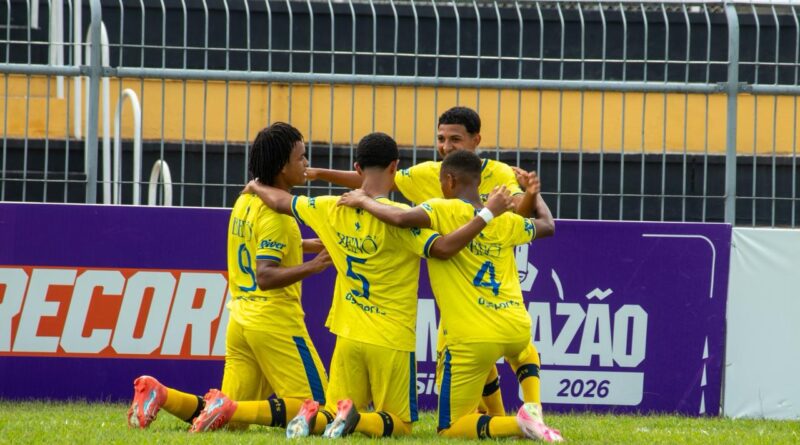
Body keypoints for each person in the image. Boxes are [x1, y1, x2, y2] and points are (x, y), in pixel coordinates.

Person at [245, 132, 514, 438]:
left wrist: (255, 185)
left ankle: (320, 418)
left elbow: (281, 201)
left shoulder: (330, 206)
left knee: (334, 412)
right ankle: (356, 420)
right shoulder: (402, 218)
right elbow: (441, 248)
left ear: (357, 168)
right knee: (400, 425)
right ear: (394, 167)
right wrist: (488, 214)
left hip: (347, 332)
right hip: (390, 338)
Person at [308, 106, 547, 414]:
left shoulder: (499, 174)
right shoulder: (428, 173)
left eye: (455, 139)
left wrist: (526, 197)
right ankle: (513, 417)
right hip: (457, 286)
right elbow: (376, 178)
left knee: (473, 363)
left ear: (477, 139)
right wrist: (319, 174)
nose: (446, 146)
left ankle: (515, 416)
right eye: (441, 138)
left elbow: (517, 216)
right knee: (489, 349)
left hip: (488, 277)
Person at [127, 122, 335, 437]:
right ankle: (230, 406)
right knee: (319, 411)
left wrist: (302, 246)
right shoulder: (279, 216)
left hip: (240, 320)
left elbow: (258, 245)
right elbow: (265, 275)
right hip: (274, 321)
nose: (306, 164)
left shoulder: (245, 200)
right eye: (301, 157)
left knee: (232, 424)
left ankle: (161, 394)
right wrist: (313, 265)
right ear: (282, 167)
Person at [338, 150, 562, 441]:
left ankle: (518, 424)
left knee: (451, 428)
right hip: (516, 326)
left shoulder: (443, 210)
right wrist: (534, 194)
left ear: (449, 180)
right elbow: (547, 226)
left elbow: (402, 218)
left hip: (472, 336)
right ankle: (531, 410)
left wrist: (363, 200)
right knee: (521, 354)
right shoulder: (505, 221)